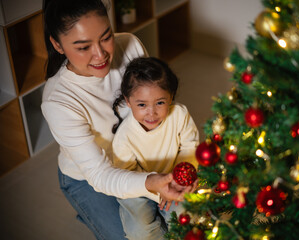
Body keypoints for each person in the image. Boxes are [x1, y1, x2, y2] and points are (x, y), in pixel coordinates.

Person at [41, 0, 195, 239]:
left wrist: (177, 171)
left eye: (106, 37)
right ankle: (93, 208)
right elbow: (101, 175)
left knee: (187, 222)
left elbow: (157, 102)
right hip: (91, 177)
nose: (101, 54)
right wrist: (153, 182)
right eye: (83, 47)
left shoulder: (131, 45)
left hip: (143, 159)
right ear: (57, 45)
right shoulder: (57, 101)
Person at [111, 57, 199, 239]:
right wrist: (157, 190)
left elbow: (190, 147)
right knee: (139, 230)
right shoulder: (124, 136)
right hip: (139, 188)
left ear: (171, 97)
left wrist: (178, 180)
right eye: (142, 105)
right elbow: (126, 175)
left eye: (160, 102)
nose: (151, 113)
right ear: (128, 101)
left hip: (175, 179)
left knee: (188, 217)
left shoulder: (179, 114)